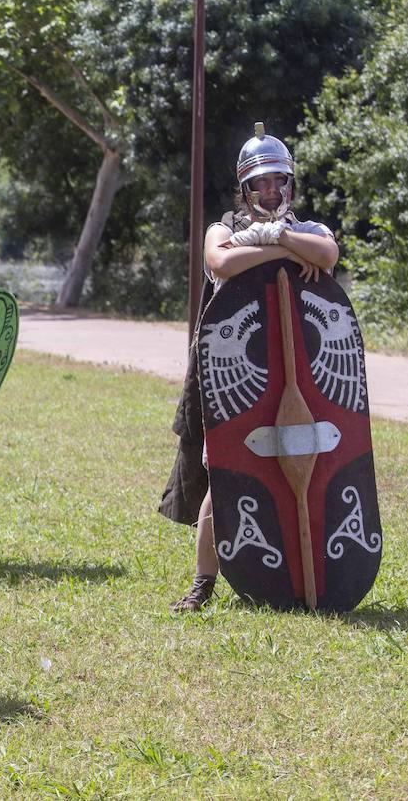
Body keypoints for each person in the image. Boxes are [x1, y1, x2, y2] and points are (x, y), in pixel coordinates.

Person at [162, 123, 339, 611]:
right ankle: (203, 583)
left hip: (295, 370)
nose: (269, 190)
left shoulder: (306, 229)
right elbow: (220, 262)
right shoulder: (225, 228)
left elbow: (327, 253)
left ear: (289, 183)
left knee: (301, 462)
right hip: (236, 371)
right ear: (245, 188)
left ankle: (298, 572)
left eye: (277, 181)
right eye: (260, 183)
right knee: (225, 473)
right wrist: (285, 248)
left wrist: (277, 236)